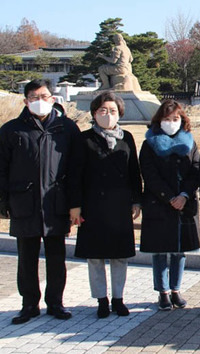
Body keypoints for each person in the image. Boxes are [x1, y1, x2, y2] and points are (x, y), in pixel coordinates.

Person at [0, 79, 82, 324]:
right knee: (26, 257)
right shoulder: (11, 130)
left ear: (53, 98)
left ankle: (55, 302)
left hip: (56, 202)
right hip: (23, 201)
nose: (40, 101)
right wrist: (3, 201)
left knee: (57, 256)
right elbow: (1, 169)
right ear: (25, 101)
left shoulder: (67, 128)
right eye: (34, 97)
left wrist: (75, 203)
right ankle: (29, 304)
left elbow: (77, 170)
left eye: (44, 96)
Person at [72, 91, 142, 318]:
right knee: (95, 256)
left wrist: (136, 200)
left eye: (112, 111)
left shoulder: (127, 137)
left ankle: (118, 299)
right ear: (94, 113)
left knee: (119, 255)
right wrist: (76, 205)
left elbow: (134, 171)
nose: (108, 115)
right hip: (93, 205)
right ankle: (101, 300)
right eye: (103, 110)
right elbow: (76, 174)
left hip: (120, 204)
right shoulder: (84, 139)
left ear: (119, 113)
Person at [139, 100, 200, 311]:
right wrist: (168, 197)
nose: (171, 123)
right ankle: (162, 292)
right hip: (159, 203)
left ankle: (176, 289)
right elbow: (149, 173)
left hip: (184, 204)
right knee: (160, 251)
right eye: (167, 119)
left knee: (179, 251)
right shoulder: (149, 144)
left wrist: (184, 195)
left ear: (182, 120)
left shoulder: (190, 142)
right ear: (158, 120)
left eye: (175, 119)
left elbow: (196, 170)